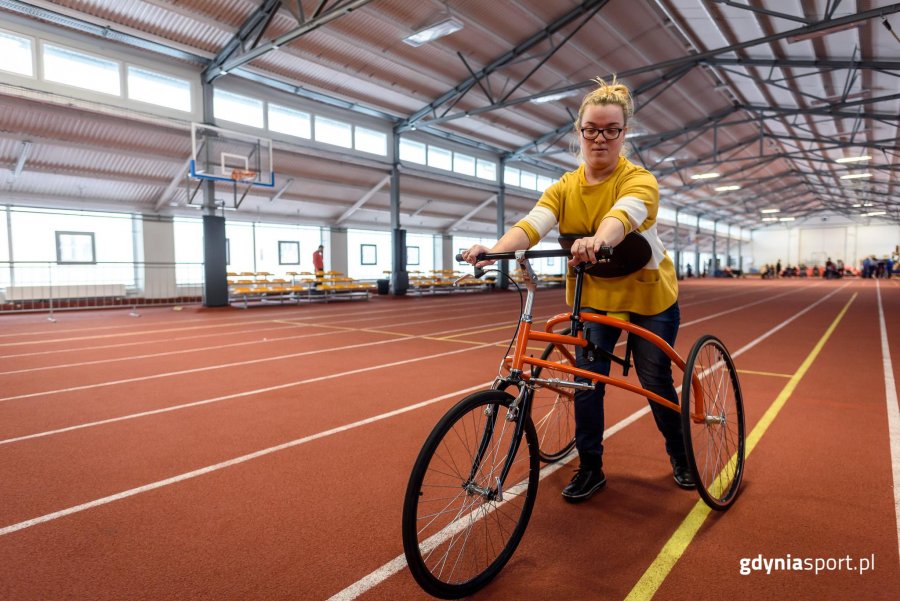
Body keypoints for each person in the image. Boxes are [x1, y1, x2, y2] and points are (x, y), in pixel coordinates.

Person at [462, 76, 693, 504]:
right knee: (586, 382)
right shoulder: (563, 188)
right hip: (594, 298)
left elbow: (624, 215)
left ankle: (681, 455)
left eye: (611, 130)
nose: (600, 138)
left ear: (624, 134)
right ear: (579, 131)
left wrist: (598, 239)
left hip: (648, 296)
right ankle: (591, 467)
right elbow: (532, 225)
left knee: (654, 376)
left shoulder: (639, 180)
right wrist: (492, 252)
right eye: (591, 129)